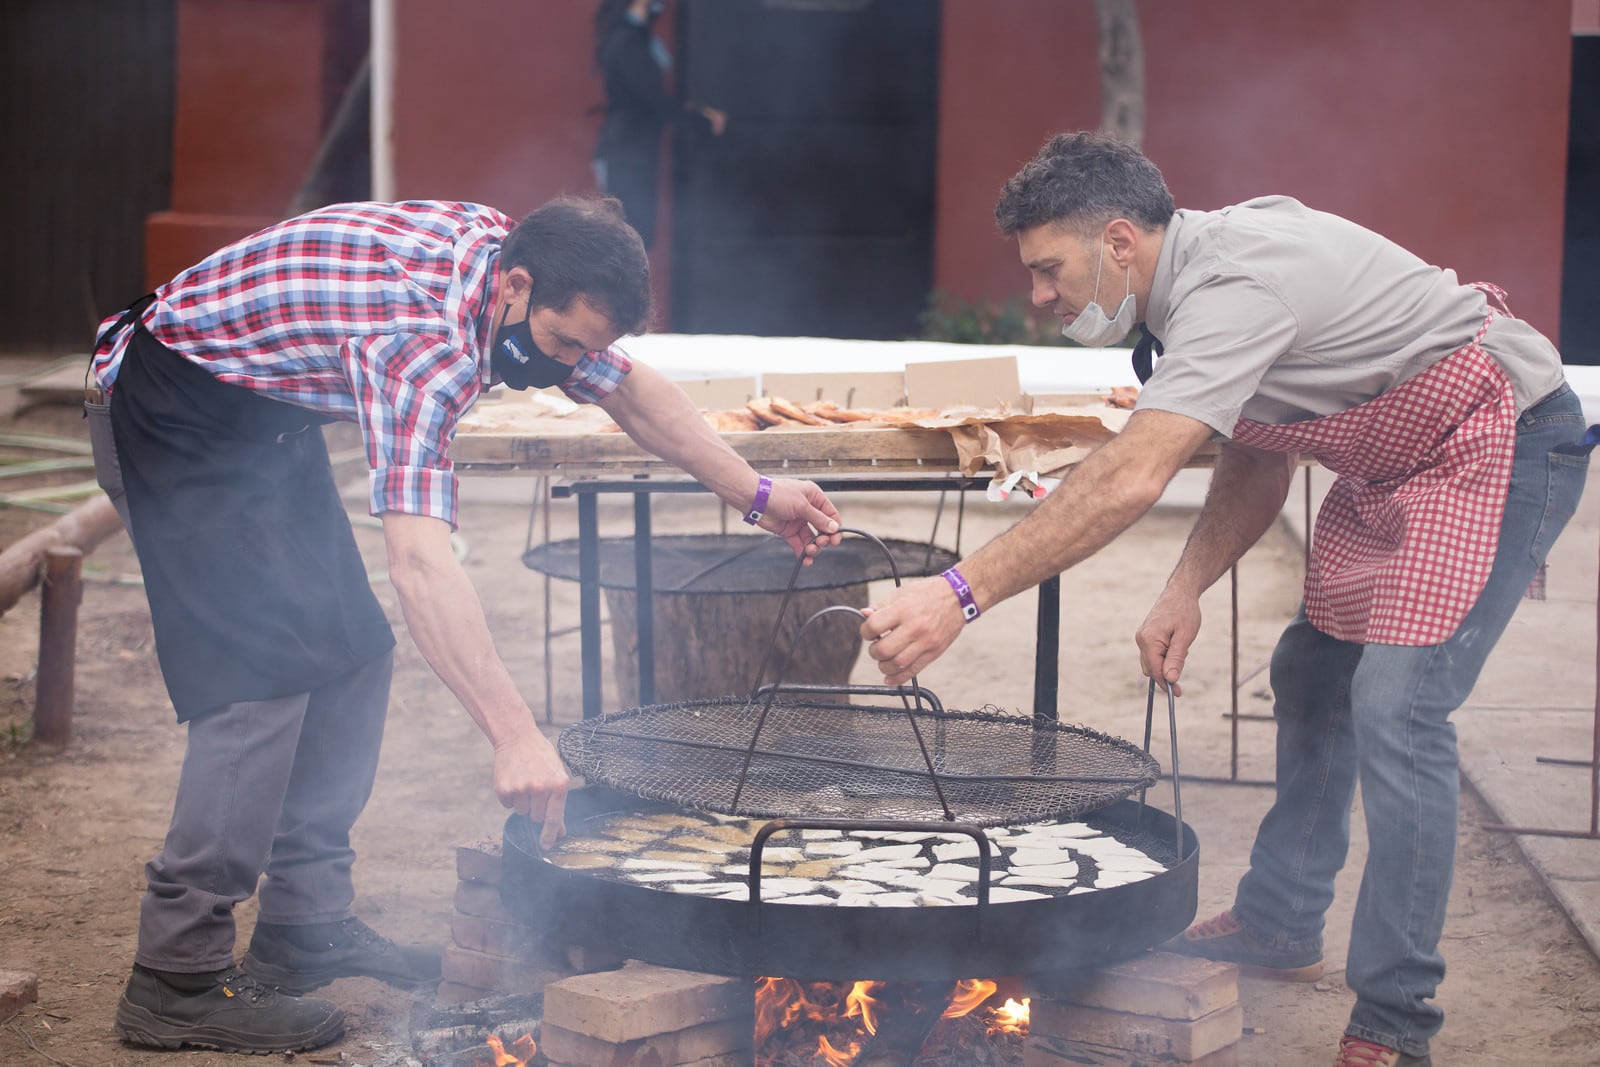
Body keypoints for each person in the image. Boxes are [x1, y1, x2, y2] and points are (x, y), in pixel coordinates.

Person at [859, 131, 1586, 1067]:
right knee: (1313, 671)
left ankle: (1397, 1020)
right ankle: (1282, 922)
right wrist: (1187, 584)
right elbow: (1259, 449)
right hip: (1390, 465)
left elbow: (1131, 476)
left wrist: (960, 593)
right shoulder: (1177, 308)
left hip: (1500, 440)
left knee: (1400, 709)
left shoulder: (1233, 288)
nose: (1038, 295)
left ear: (1120, 241)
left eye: (1049, 269)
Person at [87, 195, 841, 1054]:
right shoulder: (422, 350)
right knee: (258, 680)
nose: (571, 365)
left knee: (352, 654)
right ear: (516, 287)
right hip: (174, 407)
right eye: (563, 345)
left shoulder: (521, 273)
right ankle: (173, 976)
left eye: (585, 349)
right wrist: (514, 733)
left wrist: (759, 492)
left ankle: (304, 922)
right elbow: (419, 562)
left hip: (261, 420)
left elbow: (630, 390)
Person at [592, 0, 726, 248]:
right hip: (626, 152)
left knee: (634, 236)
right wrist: (702, 122)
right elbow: (653, 99)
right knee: (627, 239)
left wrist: (697, 113)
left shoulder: (634, 37)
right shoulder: (627, 40)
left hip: (632, 149)